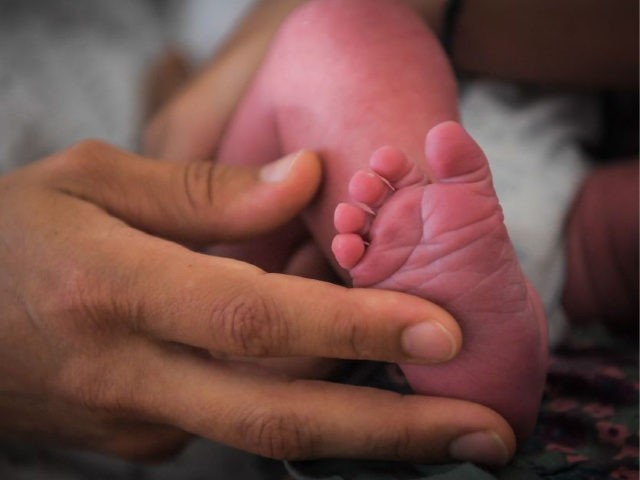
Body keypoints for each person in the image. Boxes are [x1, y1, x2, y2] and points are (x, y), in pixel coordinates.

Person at [0, 0, 518, 469]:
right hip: (193, 255)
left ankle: (457, 286)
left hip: (245, 231)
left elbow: (169, 81)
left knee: (333, 42)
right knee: (332, 38)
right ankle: (477, 304)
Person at [146, 0, 638, 448]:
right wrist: (174, 81)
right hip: (350, 179)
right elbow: (173, 112)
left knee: (338, 34)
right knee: (337, 25)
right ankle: (449, 300)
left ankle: (467, 323)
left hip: (544, 181)